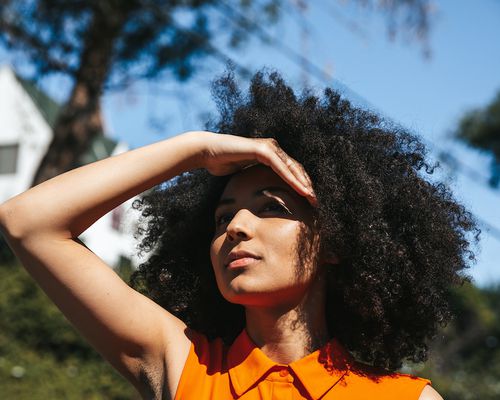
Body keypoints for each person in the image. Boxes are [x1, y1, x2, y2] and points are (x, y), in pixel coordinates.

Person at [0, 71, 478, 399]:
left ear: (332, 242)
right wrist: (198, 148)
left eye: (271, 208)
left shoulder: (403, 397)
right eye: (221, 217)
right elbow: (28, 221)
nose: (236, 227)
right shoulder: (185, 367)